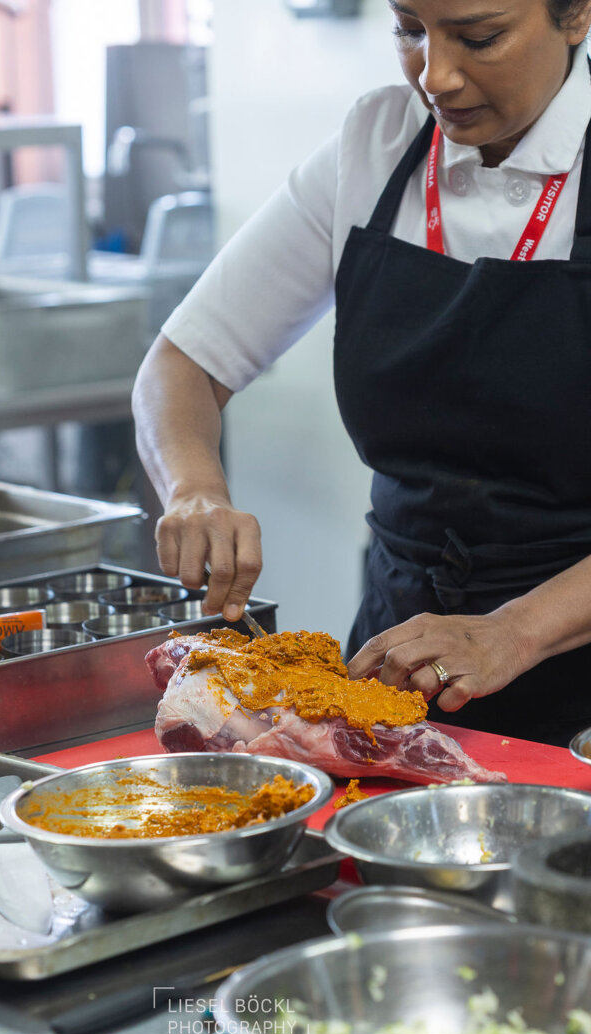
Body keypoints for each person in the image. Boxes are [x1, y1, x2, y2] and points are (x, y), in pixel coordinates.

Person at [132, 0, 591, 746]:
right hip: (393, 669)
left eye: (479, 37)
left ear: (575, 15)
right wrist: (193, 490)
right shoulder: (377, 144)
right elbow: (184, 361)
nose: (434, 74)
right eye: (409, 29)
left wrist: (514, 631)